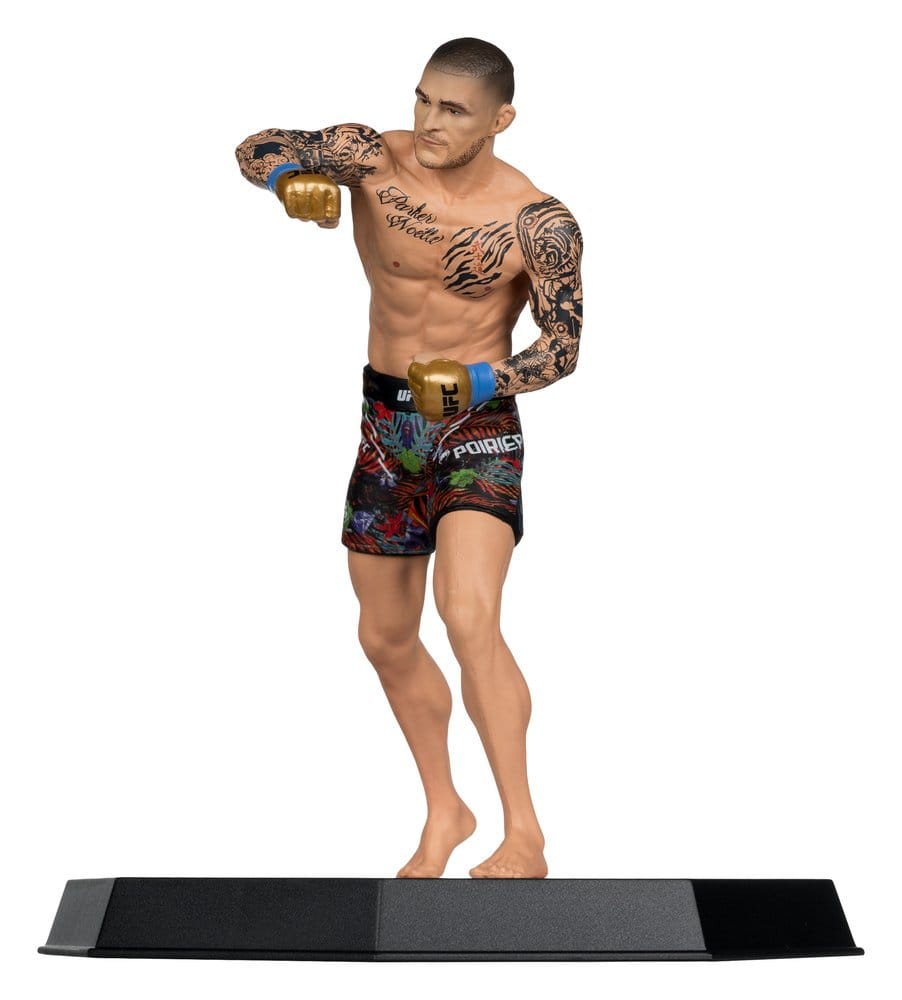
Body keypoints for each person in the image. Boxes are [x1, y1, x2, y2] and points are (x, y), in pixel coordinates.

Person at [235, 37, 583, 879]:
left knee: (468, 615)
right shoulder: (372, 158)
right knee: (385, 636)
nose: (429, 121)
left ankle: (525, 834)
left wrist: (480, 379)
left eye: (453, 110)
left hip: (475, 427)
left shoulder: (537, 221)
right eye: (423, 99)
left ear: (500, 119)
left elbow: (564, 346)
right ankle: (446, 810)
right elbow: (256, 146)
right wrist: (289, 180)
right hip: (386, 425)